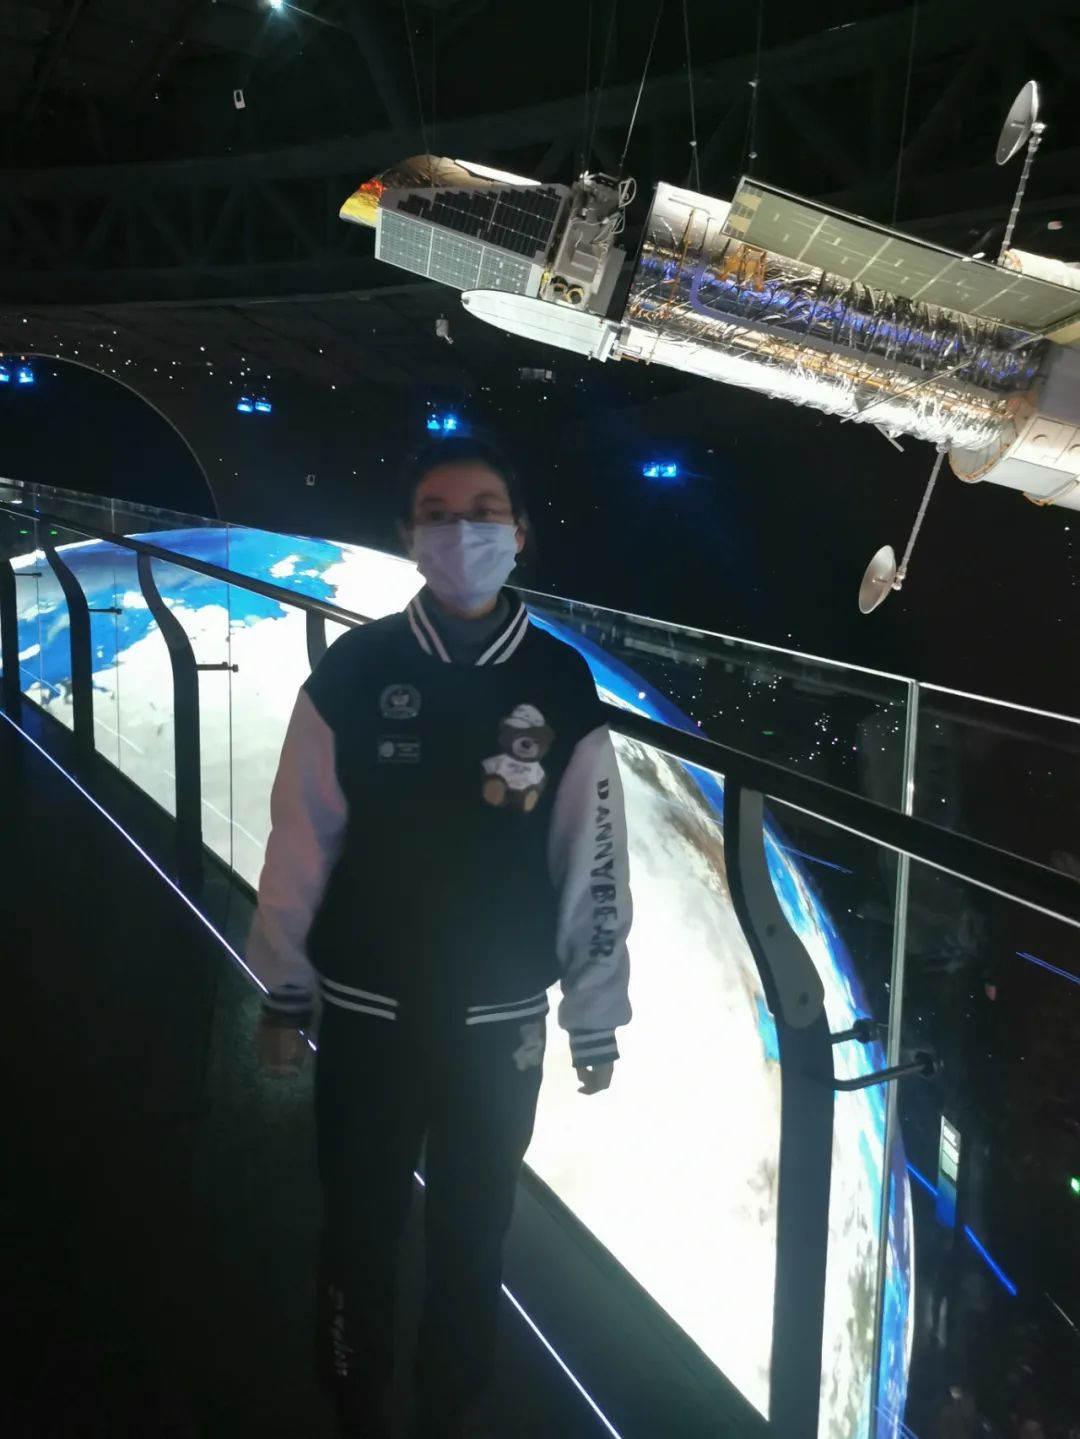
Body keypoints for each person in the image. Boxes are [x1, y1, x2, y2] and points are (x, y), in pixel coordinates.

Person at [248, 437, 633, 1439]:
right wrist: (284, 990)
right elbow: (301, 837)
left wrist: (594, 1013)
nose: (463, 532)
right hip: (367, 1012)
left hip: (500, 1023)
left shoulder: (558, 681)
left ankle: (449, 1408)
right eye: (438, 513)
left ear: (521, 533)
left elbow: (591, 860)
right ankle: (353, 1400)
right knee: (356, 1227)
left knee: (475, 1233)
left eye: (484, 511)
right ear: (409, 536)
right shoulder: (356, 671)